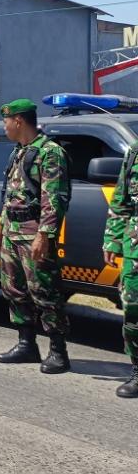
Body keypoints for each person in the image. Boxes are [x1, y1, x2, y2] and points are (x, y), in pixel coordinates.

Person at [0, 99, 71, 374]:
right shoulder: (18, 152)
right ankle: (26, 344)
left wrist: (44, 235)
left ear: (18, 121)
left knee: (44, 291)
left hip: (34, 232)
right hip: (13, 231)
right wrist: (0, 226)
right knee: (14, 289)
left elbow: (54, 199)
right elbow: (11, 195)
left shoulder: (50, 153)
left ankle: (58, 352)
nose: (4, 127)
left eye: (6, 122)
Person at [102, 141, 138, 398]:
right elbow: (121, 199)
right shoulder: (134, 152)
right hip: (135, 249)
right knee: (133, 309)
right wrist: (112, 239)